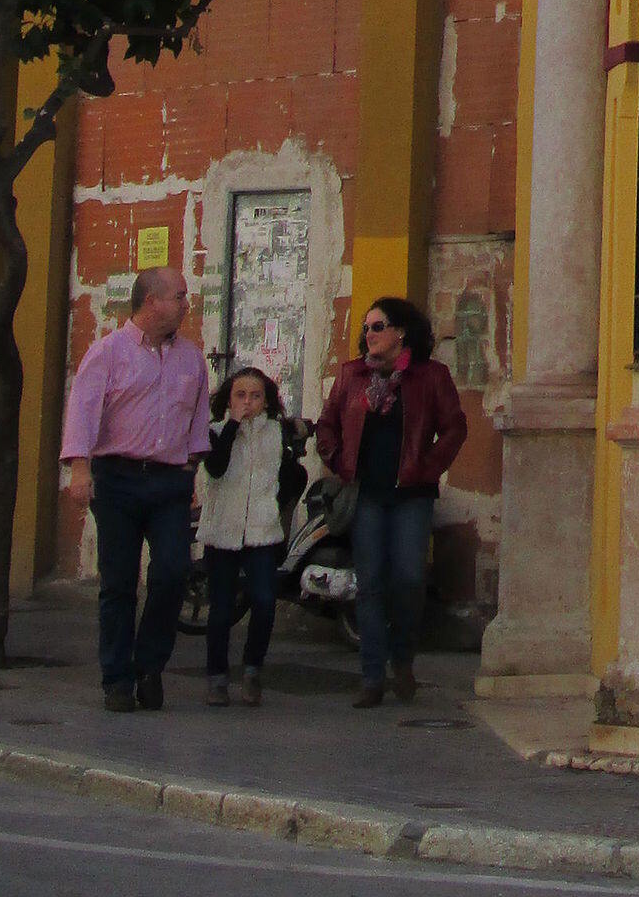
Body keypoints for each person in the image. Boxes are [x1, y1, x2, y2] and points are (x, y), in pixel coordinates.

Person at [59, 264, 210, 712]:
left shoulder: (191, 358)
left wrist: (192, 472)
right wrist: (80, 471)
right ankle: (117, 678)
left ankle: (150, 664)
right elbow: (83, 413)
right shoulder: (107, 352)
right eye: (180, 296)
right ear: (152, 302)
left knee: (171, 573)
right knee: (119, 582)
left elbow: (197, 419)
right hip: (118, 478)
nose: (187, 304)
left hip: (169, 481)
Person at [313, 297, 465, 707]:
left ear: (401, 332)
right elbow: (327, 422)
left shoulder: (431, 376)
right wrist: (337, 460)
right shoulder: (352, 375)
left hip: (411, 496)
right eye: (366, 328)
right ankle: (372, 676)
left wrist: (427, 468)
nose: (369, 335)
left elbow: (454, 428)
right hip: (367, 495)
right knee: (370, 584)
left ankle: (404, 661)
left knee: (409, 580)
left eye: (377, 327)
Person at [197, 363, 304, 706]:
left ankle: (253, 669)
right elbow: (215, 468)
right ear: (229, 399)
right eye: (240, 395)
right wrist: (232, 424)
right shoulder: (215, 431)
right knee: (222, 608)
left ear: (267, 400)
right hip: (224, 529)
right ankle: (216, 677)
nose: (248, 402)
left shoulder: (277, 433)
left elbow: (293, 474)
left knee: (263, 601)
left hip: (262, 530)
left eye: (255, 396)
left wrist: (275, 504)